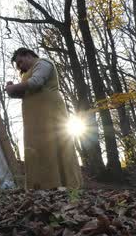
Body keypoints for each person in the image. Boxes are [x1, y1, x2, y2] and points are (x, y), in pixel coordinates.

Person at [5, 48, 82, 190]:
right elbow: (24, 93)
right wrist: (11, 90)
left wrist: (14, 87)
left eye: (20, 62)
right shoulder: (26, 74)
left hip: (51, 111)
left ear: (28, 55)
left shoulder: (43, 63)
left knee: (55, 144)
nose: (20, 66)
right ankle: (42, 185)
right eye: (18, 65)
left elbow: (37, 82)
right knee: (38, 147)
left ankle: (66, 183)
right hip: (34, 118)